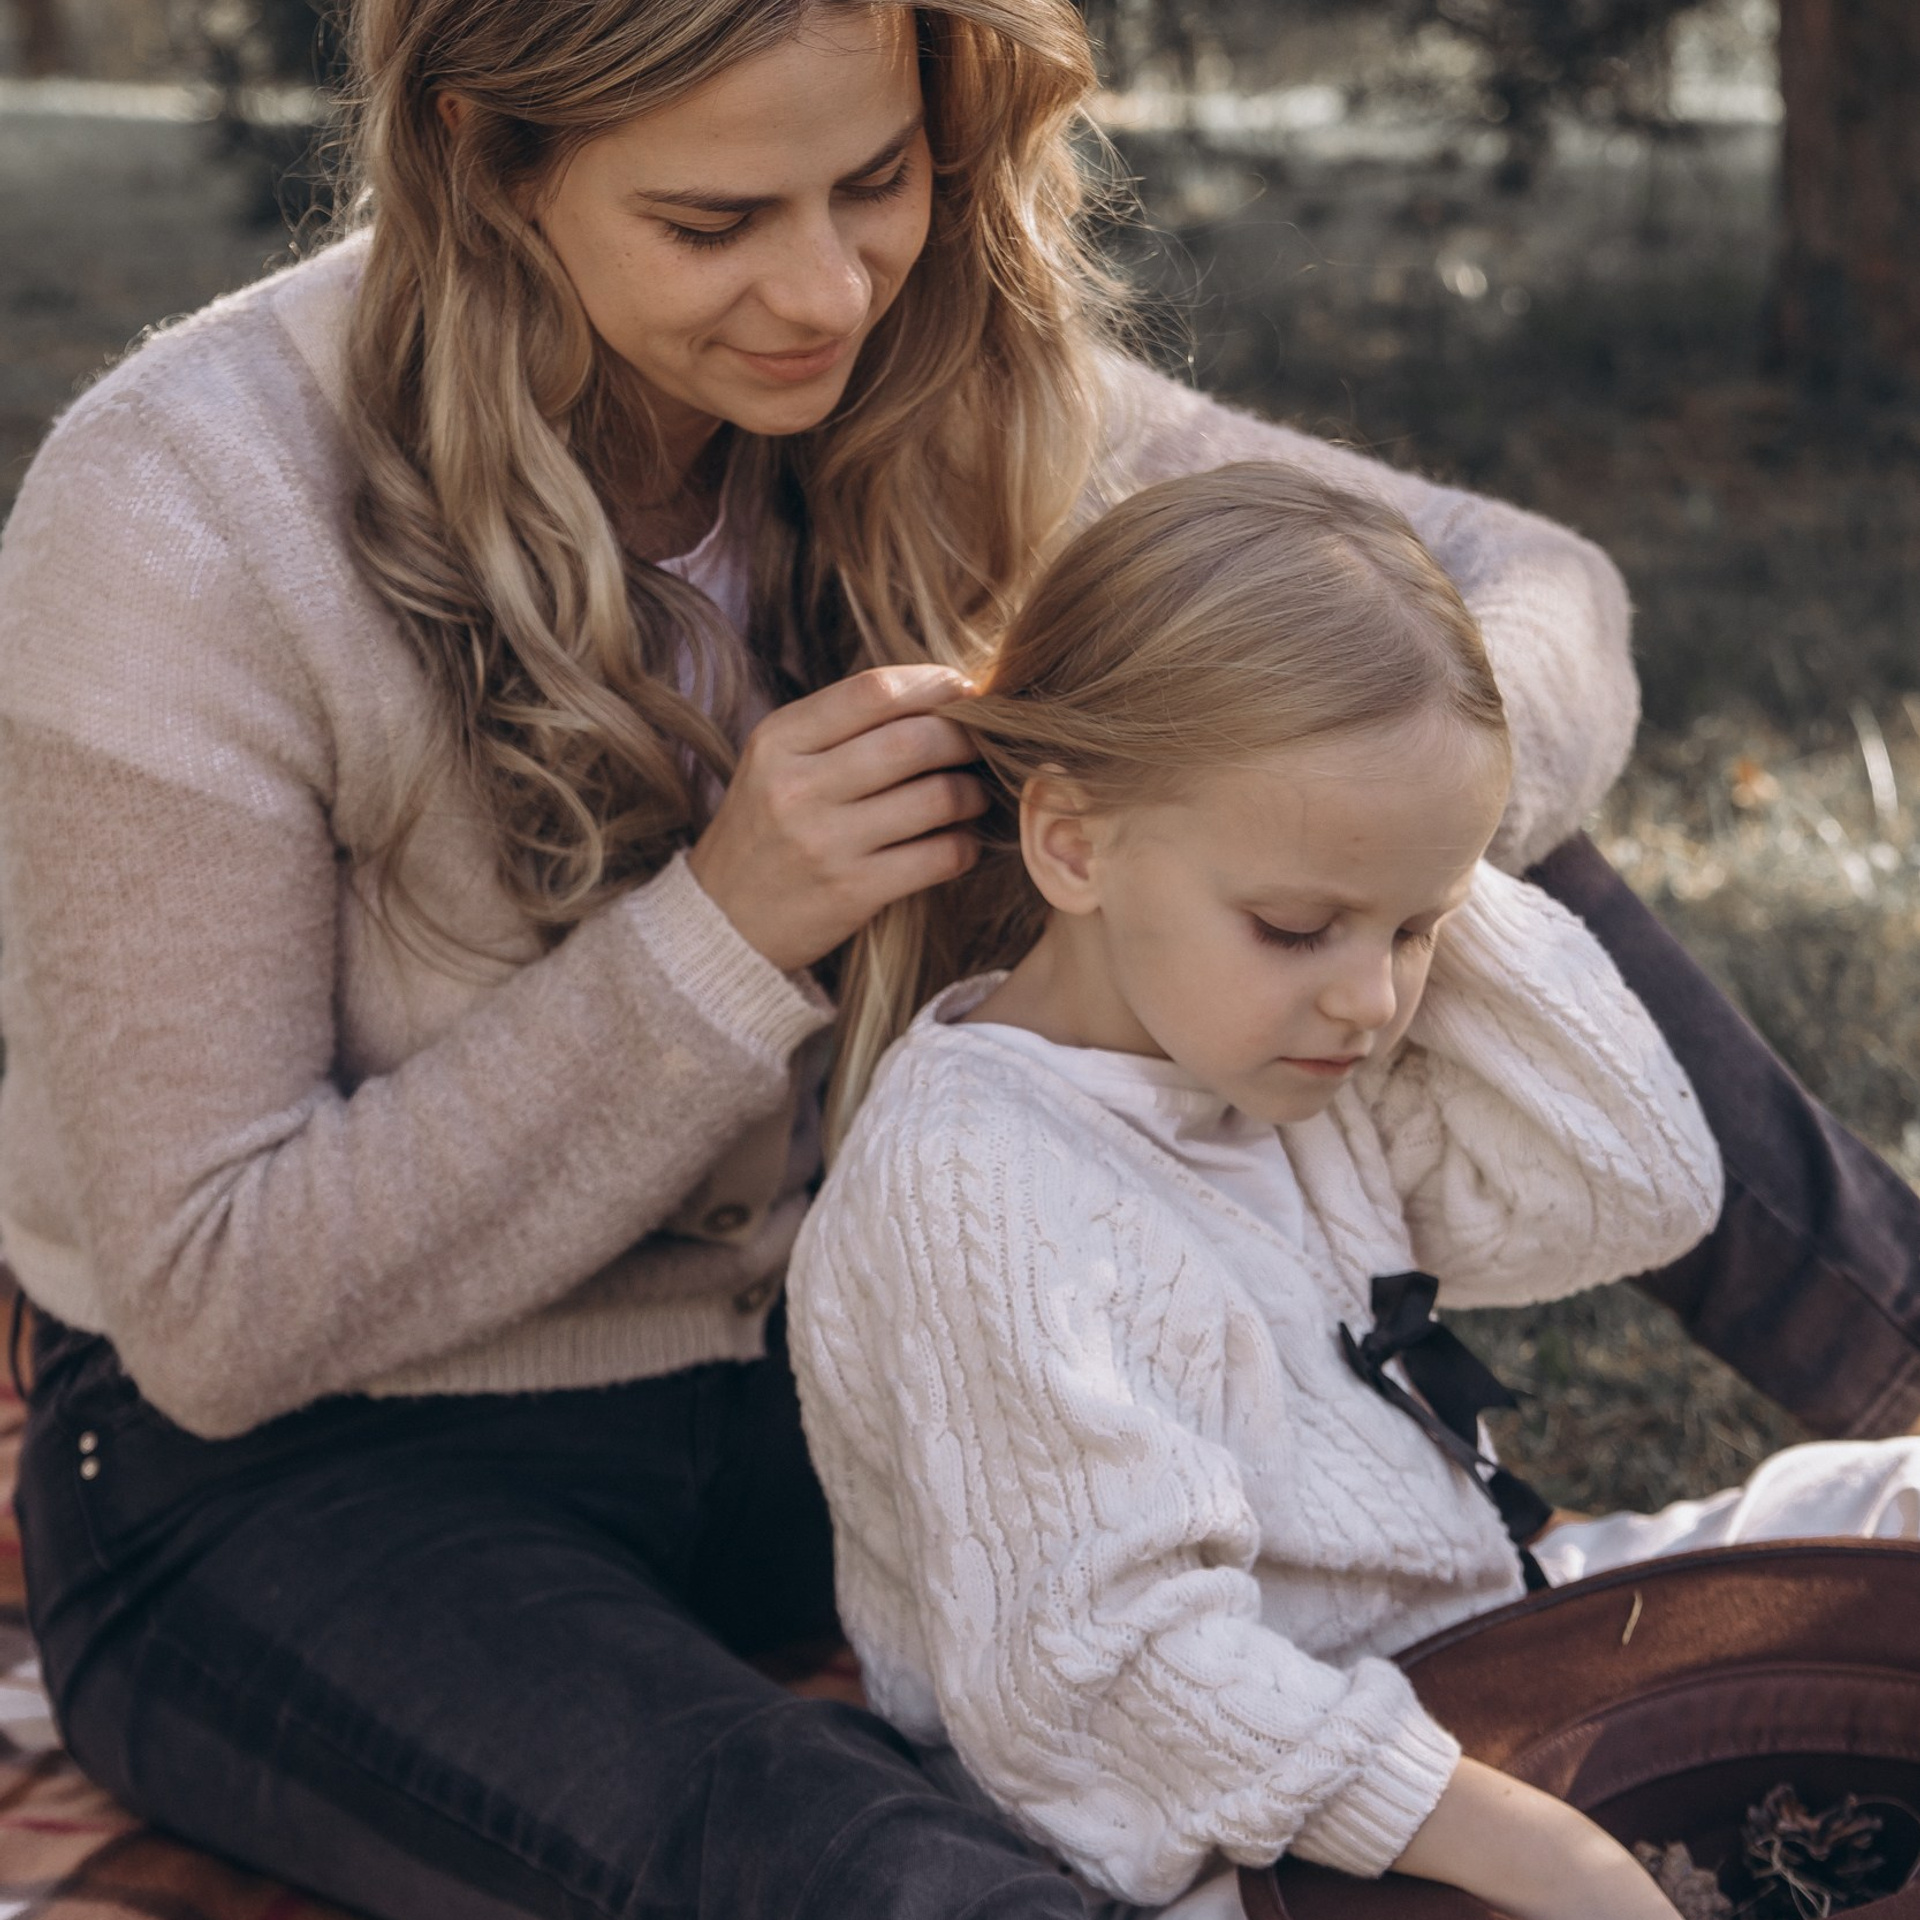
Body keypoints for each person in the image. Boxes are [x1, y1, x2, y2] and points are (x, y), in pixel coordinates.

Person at [0, 0, 1913, 1914]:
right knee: (814, 1847)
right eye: (712, 222)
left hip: (831, 1414)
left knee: (1387, 720)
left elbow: (1536, 592)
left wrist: (1324, 825)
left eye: (877, 182)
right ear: (488, 164)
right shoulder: (184, 510)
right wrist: (724, 936)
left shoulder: (946, 384)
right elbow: (212, 1313)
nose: (822, 289)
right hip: (308, 1480)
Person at [787, 464, 1920, 1920]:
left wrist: (1411, 866)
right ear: (1070, 843)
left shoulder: (1263, 1051)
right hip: (1262, 1823)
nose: (1372, 1002)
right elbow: (1117, 1680)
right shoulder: (978, 1180)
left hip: (1472, 1661)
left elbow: (1629, 1181)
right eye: (1298, 925)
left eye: (1418, 931)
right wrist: (1546, 1855)